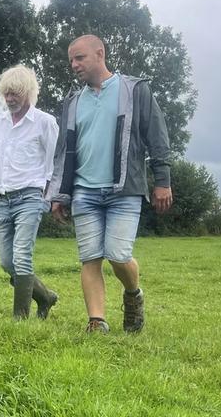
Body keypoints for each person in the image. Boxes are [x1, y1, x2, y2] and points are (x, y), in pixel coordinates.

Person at [47, 34, 173, 333]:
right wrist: (58, 193)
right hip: (84, 192)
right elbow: (64, 151)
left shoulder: (134, 90)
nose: (74, 65)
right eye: (71, 61)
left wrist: (162, 180)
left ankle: (133, 295)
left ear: (99, 53)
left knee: (118, 255)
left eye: (79, 58)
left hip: (124, 190)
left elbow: (157, 135)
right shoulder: (74, 101)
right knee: (90, 257)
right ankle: (97, 321)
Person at [0, 64, 59, 320]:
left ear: (28, 93)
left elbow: (54, 165)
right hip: (2, 198)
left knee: (22, 257)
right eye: (6, 94)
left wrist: (47, 199)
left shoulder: (45, 123)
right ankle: (45, 297)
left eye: (15, 94)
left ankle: (20, 318)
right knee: (6, 262)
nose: (9, 99)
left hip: (30, 197)